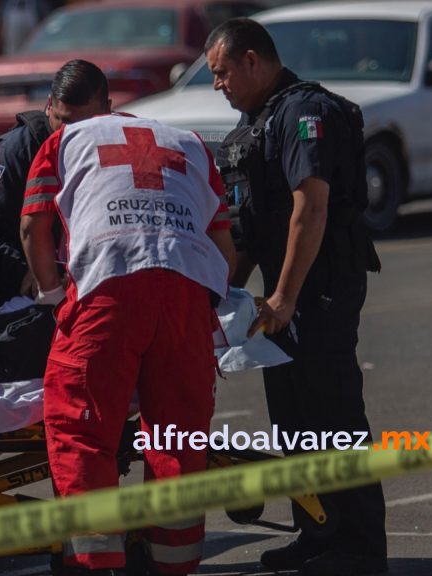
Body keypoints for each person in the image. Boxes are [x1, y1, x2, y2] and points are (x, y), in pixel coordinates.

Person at [21, 60, 235, 575]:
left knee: (81, 429)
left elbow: (33, 228)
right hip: (186, 290)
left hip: (108, 288)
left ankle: (98, 564)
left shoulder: (63, 142)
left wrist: (53, 296)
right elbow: (224, 242)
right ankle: (175, 563)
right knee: (179, 439)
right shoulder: (187, 141)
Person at [204, 18, 385, 576]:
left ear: (253, 59)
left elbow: (311, 209)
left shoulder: (308, 113)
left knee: (331, 412)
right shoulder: (256, 124)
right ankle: (318, 530)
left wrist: (283, 297)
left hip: (321, 286)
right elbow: (251, 225)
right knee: (291, 414)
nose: (218, 84)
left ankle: (359, 545)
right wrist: (227, 304)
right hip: (283, 294)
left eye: (222, 71)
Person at [0, 59, 112, 312]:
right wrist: (30, 273)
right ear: (48, 106)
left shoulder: (117, 145)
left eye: (84, 125)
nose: (73, 135)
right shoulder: (17, 152)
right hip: (26, 296)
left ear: (107, 111)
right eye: (63, 122)